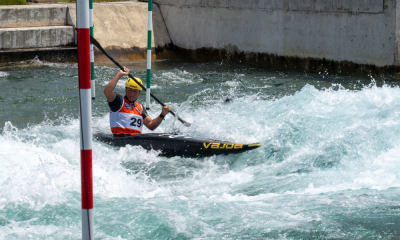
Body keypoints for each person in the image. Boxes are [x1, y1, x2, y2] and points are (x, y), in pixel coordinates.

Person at [104, 66, 171, 135]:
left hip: (135, 142)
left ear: (139, 92)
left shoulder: (140, 108)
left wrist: (162, 114)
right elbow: (107, 92)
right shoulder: (118, 101)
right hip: (120, 138)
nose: (132, 94)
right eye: (130, 90)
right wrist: (119, 74)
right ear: (125, 89)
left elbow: (151, 125)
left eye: (135, 91)